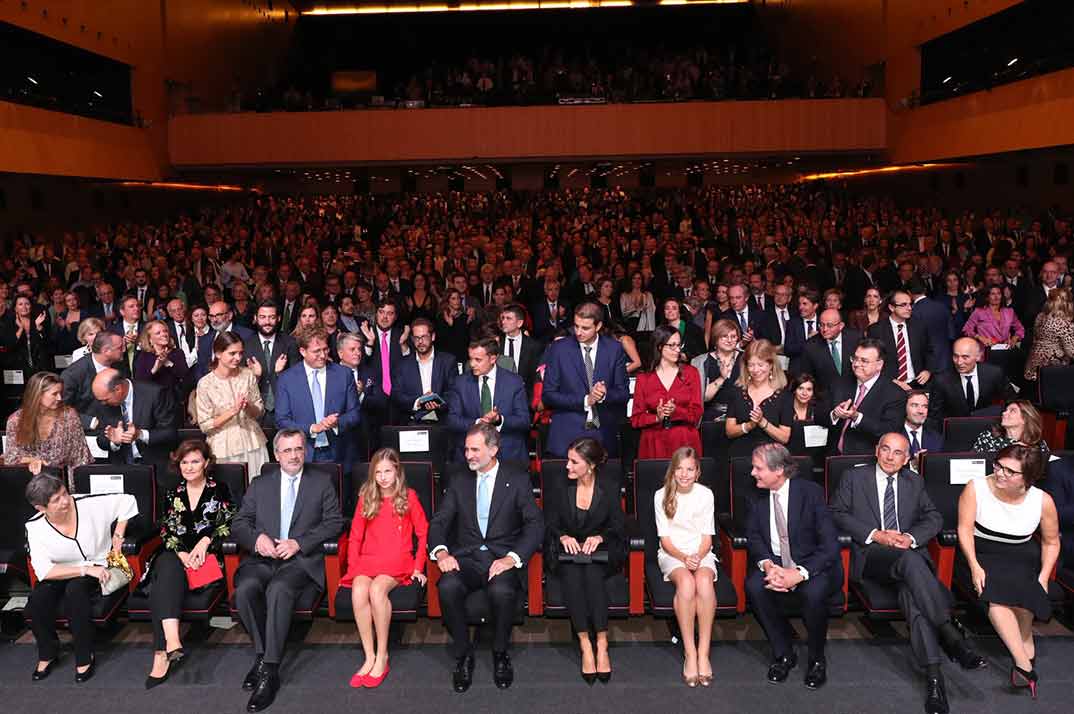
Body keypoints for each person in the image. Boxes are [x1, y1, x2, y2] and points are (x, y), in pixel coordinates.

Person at [831, 433, 984, 714]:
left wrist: (911, 537)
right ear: (876, 450)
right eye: (886, 450)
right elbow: (837, 513)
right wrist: (876, 535)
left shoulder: (914, 482)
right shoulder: (854, 478)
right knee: (911, 562)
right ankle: (948, 630)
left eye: (898, 453)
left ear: (907, 458)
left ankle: (934, 679)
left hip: (907, 560)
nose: (890, 457)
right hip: (872, 557)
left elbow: (934, 517)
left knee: (913, 597)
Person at [231, 429, 345, 712]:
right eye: (287, 450)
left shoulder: (321, 482)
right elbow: (240, 522)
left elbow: (334, 523)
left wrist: (299, 543)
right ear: (276, 455)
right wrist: (257, 539)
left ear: (305, 451)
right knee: (245, 589)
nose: (294, 455)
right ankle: (261, 653)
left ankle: (269, 670)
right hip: (263, 559)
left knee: (279, 589)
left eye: (299, 449)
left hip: (299, 562)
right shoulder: (260, 484)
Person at [428, 424, 544, 693]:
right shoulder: (458, 479)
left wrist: (511, 558)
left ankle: (500, 653)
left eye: (474, 449)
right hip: (466, 557)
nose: (468, 455)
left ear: (493, 450)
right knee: (447, 586)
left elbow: (535, 524)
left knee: (502, 591)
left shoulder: (516, 478)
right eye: (466, 449)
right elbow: (439, 522)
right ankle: (463, 654)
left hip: (501, 558)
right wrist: (442, 552)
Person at [957, 444, 1060, 699]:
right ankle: (1024, 664)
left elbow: (1051, 542)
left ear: (1028, 477)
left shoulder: (1042, 501)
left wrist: (1043, 577)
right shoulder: (976, 487)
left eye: (1010, 471)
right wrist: (974, 566)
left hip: (1020, 556)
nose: (1000, 473)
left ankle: (1025, 648)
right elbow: (964, 530)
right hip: (981, 554)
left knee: (1025, 602)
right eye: (998, 465)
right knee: (999, 602)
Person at [745, 443, 841, 690]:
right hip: (776, 564)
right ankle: (784, 653)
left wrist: (798, 574)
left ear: (778, 470)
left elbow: (830, 546)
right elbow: (754, 537)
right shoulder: (755, 494)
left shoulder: (811, 493)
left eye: (758, 468)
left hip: (812, 565)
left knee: (814, 593)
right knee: (755, 587)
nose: (753, 473)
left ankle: (817, 660)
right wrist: (768, 566)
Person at [25, 472, 137, 682]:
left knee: (75, 591)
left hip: (98, 564)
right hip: (62, 570)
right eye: (56, 500)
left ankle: (85, 655)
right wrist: (84, 569)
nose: (66, 501)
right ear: (41, 508)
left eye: (64, 493)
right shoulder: (35, 527)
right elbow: (44, 571)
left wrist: (118, 533)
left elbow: (128, 500)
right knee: (38, 599)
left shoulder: (87, 503)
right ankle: (48, 653)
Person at [145, 440, 236, 688]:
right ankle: (171, 644)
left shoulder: (220, 490)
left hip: (207, 561)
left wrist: (206, 542)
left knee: (160, 586)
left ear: (206, 463)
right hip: (177, 558)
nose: (189, 466)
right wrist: (181, 553)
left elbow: (229, 524)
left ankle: (162, 652)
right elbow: (165, 530)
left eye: (195, 461)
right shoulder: (172, 493)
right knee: (167, 564)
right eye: (184, 462)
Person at [342, 448, 429, 689]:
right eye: (378, 472)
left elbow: (423, 534)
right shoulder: (366, 497)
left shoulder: (409, 496)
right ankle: (368, 656)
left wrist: (418, 567)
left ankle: (383, 655)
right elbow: (355, 536)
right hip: (369, 559)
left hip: (397, 559)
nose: (382, 477)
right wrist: (353, 568)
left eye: (387, 471)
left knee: (377, 590)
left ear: (397, 472)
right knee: (359, 589)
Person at [545, 437, 625, 684]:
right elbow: (549, 523)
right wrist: (563, 536)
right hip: (567, 552)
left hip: (599, 551)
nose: (567, 466)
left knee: (591, 574)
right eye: (568, 460)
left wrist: (600, 537)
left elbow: (618, 526)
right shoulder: (560, 486)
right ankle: (584, 644)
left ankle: (601, 642)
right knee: (571, 574)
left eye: (573, 462)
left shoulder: (608, 487)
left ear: (589, 465)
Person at [653, 446, 717, 687]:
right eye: (679, 469)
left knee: (703, 582)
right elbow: (665, 540)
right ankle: (690, 653)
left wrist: (697, 556)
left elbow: (707, 537)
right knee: (688, 584)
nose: (684, 474)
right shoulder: (661, 495)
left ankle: (704, 652)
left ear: (698, 472)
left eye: (690, 469)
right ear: (673, 471)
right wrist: (683, 557)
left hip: (701, 552)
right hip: (672, 553)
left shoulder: (706, 494)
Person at [541, 302, 630, 457]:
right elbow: (548, 395)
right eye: (576, 326)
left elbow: (623, 393)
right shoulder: (559, 349)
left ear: (599, 326)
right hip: (566, 436)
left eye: (585, 328)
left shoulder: (614, 349)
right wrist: (585, 400)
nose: (579, 332)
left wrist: (604, 395)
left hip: (603, 436)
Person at [276, 327, 361, 464]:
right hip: (303, 454)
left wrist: (336, 423)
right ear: (302, 351)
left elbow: (355, 413)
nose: (322, 355)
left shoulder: (344, 375)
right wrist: (311, 428)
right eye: (316, 351)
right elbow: (282, 420)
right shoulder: (287, 379)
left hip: (339, 453)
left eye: (325, 349)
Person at [194, 332, 269, 476]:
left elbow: (259, 410)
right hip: (223, 449)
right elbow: (205, 425)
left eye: (241, 353)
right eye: (232, 353)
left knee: (258, 490)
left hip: (253, 443)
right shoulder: (205, 384)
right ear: (218, 353)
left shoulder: (248, 375)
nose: (238, 358)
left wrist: (248, 407)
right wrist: (232, 411)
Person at [445, 336, 530, 463]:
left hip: (508, 454)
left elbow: (524, 421)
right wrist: (479, 422)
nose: (472, 364)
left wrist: (499, 420)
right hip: (470, 458)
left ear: (493, 359)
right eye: (471, 359)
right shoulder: (460, 383)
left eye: (478, 360)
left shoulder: (514, 382)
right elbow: (452, 420)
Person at [630, 325, 703, 458]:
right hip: (654, 442)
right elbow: (636, 419)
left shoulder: (691, 373)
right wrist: (657, 417)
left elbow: (697, 413)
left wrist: (677, 411)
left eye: (679, 345)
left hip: (684, 440)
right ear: (659, 347)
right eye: (672, 345)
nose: (677, 350)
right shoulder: (644, 378)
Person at [4, 371, 92, 476]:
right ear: (38, 395)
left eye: (61, 393)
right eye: (54, 394)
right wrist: (32, 460)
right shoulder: (16, 420)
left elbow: (80, 457)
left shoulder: (69, 416)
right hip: (30, 480)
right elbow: (11, 458)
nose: (59, 398)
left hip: (62, 479)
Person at [829, 339, 908, 455]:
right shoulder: (840, 384)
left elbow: (889, 431)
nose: (856, 364)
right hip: (832, 456)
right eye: (855, 359)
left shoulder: (895, 394)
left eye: (864, 361)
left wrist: (857, 417)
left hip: (867, 458)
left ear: (879, 365)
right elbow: (820, 414)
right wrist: (835, 414)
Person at [725, 339, 791, 457]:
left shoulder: (783, 395)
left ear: (771, 365)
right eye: (751, 365)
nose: (755, 370)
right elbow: (729, 431)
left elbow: (784, 437)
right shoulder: (737, 392)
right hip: (740, 457)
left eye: (760, 365)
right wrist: (749, 425)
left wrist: (763, 422)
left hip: (772, 459)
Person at [866, 289, 940, 390]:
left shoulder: (919, 326)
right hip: (889, 385)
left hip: (917, 383)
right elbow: (872, 360)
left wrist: (928, 370)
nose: (909, 308)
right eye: (903, 305)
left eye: (910, 304)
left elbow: (929, 351)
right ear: (891, 307)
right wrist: (892, 381)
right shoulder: (876, 330)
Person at [243, 300, 301, 429]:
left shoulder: (290, 343)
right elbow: (240, 384)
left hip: (284, 408)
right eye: (262, 317)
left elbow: (298, 381)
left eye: (272, 317)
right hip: (254, 409)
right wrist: (255, 376)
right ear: (255, 318)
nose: (267, 322)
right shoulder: (246, 345)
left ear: (279, 318)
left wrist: (281, 373)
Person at [391, 318, 457, 423]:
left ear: (433, 336)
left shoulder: (448, 361)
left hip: (442, 422)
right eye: (416, 338)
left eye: (424, 337)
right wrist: (418, 402)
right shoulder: (402, 365)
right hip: (412, 423)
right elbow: (396, 395)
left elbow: (454, 392)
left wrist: (438, 401)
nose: (420, 341)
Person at [61, 331, 128, 431]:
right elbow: (61, 409)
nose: (124, 350)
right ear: (106, 351)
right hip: (90, 433)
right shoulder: (73, 374)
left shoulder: (119, 364)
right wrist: (90, 422)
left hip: (120, 427)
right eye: (120, 347)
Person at [930, 337, 1009, 421]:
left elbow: (1011, 401)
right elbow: (935, 416)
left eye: (965, 357)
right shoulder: (941, 380)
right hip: (956, 429)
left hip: (987, 426)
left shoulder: (994, 373)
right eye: (956, 356)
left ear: (978, 356)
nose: (959, 362)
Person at [691, 318, 742, 422]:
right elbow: (702, 397)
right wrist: (721, 378)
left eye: (733, 336)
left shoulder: (746, 359)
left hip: (741, 416)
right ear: (716, 337)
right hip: (711, 418)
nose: (729, 340)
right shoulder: (700, 362)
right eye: (724, 336)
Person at [796, 308, 860, 388]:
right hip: (824, 396)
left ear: (841, 326)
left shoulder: (855, 339)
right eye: (822, 325)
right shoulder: (810, 346)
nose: (825, 329)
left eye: (829, 325)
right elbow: (807, 376)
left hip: (853, 392)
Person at [1023, 287, 1074, 382]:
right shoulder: (1063, 323)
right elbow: (1071, 351)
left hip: (1034, 364)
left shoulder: (1040, 316)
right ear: (1066, 303)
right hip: (1053, 369)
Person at [134, 319, 191, 403]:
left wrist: (167, 362)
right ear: (150, 339)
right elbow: (139, 383)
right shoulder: (144, 356)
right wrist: (155, 369)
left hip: (173, 401)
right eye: (158, 333)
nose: (164, 334)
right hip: (152, 401)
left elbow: (185, 376)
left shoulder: (177, 353)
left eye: (165, 331)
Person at [971, 400, 1049, 455]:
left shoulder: (1038, 444)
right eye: (1005, 410)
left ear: (1025, 419)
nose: (1004, 413)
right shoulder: (987, 438)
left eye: (1012, 411)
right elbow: (972, 463)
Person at [1, 295, 50, 380]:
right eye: (20, 304)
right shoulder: (8, 323)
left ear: (31, 306)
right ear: (15, 308)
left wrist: (39, 328)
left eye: (27, 304)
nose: (24, 307)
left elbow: (47, 344)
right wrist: (20, 329)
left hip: (38, 369)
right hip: (16, 370)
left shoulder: (39, 321)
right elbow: (8, 346)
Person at [498, 304, 542, 397]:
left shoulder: (533, 346)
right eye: (503, 318)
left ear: (519, 323)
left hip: (523, 398)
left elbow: (535, 377)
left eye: (508, 318)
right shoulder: (495, 343)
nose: (503, 322)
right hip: (499, 397)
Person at [963, 284, 1024, 349]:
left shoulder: (1009, 312)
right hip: (986, 350)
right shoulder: (979, 312)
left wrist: (1015, 338)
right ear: (987, 297)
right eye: (992, 294)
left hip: (1005, 350)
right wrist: (980, 337)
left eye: (999, 293)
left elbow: (1020, 329)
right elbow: (967, 329)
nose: (996, 296)